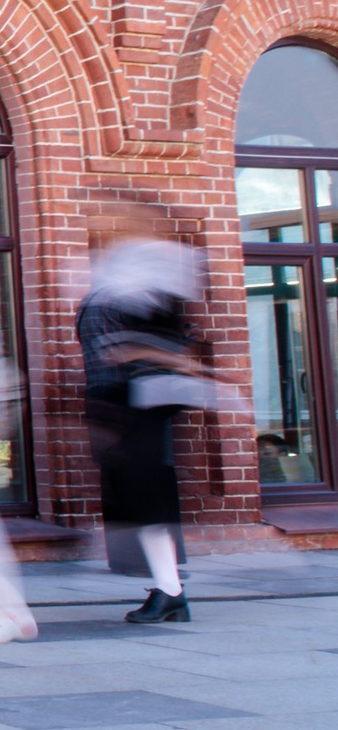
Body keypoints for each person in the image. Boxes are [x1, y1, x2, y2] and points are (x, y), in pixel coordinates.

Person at [78, 202, 209, 624]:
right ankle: (168, 588)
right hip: (115, 401)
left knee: (146, 496)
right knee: (136, 498)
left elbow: (179, 351)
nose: (100, 228)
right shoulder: (114, 274)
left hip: (144, 402)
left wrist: (134, 350)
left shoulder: (158, 277)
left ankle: (170, 591)